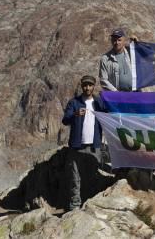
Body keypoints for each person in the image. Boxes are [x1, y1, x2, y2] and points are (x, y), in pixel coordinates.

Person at [62, 75, 106, 211]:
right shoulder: (74, 102)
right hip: (77, 146)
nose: (87, 88)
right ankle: (75, 206)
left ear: (94, 86)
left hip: (94, 146)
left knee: (94, 176)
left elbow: (109, 114)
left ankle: (91, 205)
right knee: (75, 178)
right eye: (85, 85)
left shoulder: (98, 103)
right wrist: (75, 114)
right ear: (82, 86)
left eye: (90, 85)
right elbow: (65, 120)